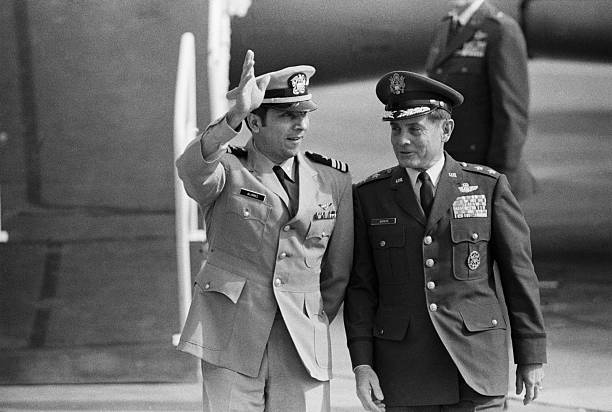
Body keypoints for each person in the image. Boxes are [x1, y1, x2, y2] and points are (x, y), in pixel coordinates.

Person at [343, 71, 546, 411]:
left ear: (446, 130)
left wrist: (532, 355)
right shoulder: (369, 197)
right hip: (405, 373)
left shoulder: (487, 187)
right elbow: (362, 288)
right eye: (396, 129)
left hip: (476, 368)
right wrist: (362, 364)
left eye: (414, 129)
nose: (402, 140)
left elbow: (519, 277)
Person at [175, 50, 353, 412]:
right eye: (288, 116)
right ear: (255, 123)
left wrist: (307, 315)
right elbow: (191, 168)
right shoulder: (225, 169)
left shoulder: (332, 178)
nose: (300, 125)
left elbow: (338, 271)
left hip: (301, 343)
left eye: (304, 115)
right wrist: (233, 117)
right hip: (231, 338)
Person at [425, 0, 535, 201]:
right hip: (450, 170)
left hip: (483, 174)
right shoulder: (445, 27)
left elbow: (511, 113)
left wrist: (501, 180)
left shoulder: (500, 30)